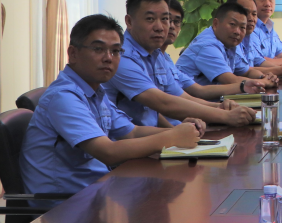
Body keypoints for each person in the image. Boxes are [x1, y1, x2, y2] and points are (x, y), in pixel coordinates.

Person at [19, 14, 202, 195]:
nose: (108, 58)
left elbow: (132, 132)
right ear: (73, 54)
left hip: (97, 190)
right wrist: (171, 137)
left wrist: (181, 131)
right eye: (98, 49)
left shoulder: (95, 91)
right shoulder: (64, 97)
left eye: (115, 51)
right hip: (65, 204)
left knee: (173, 189)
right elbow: (108, 152)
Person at [103, 0, 257, 128]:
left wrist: (221, 108)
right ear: (129, 22)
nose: (160, 27)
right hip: (130, 143)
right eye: (150, 19)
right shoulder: (122, 56)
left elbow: (181, 97)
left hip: (156, 135)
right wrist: (225, 116)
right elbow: (163, 103)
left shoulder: (157, 54)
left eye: (165, 19)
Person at [176, 2, 273, 89]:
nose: (237, 32)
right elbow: (230, 80)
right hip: (188, 100)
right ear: (216, 24)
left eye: (242, 27)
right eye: (232, 24)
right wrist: (263, 82)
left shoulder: (229, 43)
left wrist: (264, 77)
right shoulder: (207, 46)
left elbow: (247, 71)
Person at [227, 0, 282, 78]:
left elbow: (259, 62)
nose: (251, 18)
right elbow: (244, 71)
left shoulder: (248, 37)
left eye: (254, 14)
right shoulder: (225, 41)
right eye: (245, 13)